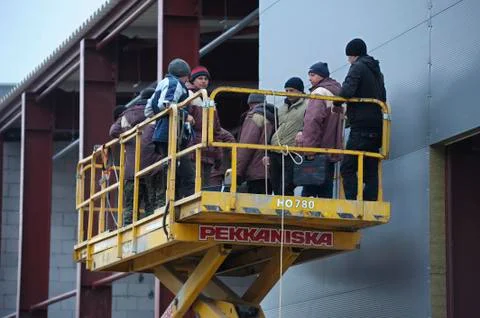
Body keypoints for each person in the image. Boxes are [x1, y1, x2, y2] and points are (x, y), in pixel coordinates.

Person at [334, 38, 386, 201]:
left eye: (348, 56)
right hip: (378, 124)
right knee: (370, 167)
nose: (348, 60)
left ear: (353, 54)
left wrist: (336, 102)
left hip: (361, 125)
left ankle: (352, 201)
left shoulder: (357, 67)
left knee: (347, 168)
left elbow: (347, 91)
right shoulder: (376, 70)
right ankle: (370, 202)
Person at [144, 58, 195, 202]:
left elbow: (148, 111)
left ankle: (173, 200)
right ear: (184, 75)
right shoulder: (175, 84)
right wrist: (185, 116)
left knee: (173, 170)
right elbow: (167, 104)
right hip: (171, 134)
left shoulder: (162, 83)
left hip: (162, 134)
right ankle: (187, 202)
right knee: (187, 174)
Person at [296, 62, 344, 198]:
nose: (309, 79)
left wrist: (309, 150)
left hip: (318, 150)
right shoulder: (338, 93)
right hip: (332, 150)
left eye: (312, 75)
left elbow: (313, 122)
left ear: (321, 76)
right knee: (326, 192)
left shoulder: (319, 93)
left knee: (308, 194)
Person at [109, 89, 155, 225]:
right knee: (150, 204)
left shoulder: (128, 114)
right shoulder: (158, 112)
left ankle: (128, 229)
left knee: (130, 206)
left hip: (131, 169)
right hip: (152, 166)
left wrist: (128, 136)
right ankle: (150, 226)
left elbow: (113, 131)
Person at [266, 77, 307, 196]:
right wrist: (267, 152)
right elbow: (275, 128)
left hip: (292, 151)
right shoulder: (282, 107)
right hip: (275, 150)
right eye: (286, 90)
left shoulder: (308, 105)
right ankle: (278, 213)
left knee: (287, 186)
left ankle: (286, 213)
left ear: (300, 91)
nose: (288, 93)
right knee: (275, 185)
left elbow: (311, 125)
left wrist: (302, 131)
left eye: (292, 90)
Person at [186, 66, 224, 188]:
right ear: (193, 80)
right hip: (192, 149)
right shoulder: (188, 96)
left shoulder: (209, 100)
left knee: (204, 187)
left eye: (206, 79)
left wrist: (218, 152)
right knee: (192, 185)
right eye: (200, 78)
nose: (203, 81)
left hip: (208, 150)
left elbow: (216, 128)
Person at [237, 94, 276, 194]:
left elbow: (246, 147)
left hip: (255, 172)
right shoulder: (274, 115)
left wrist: (237, 172)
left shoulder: (254, 116)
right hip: (271, 169)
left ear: (250, 104)